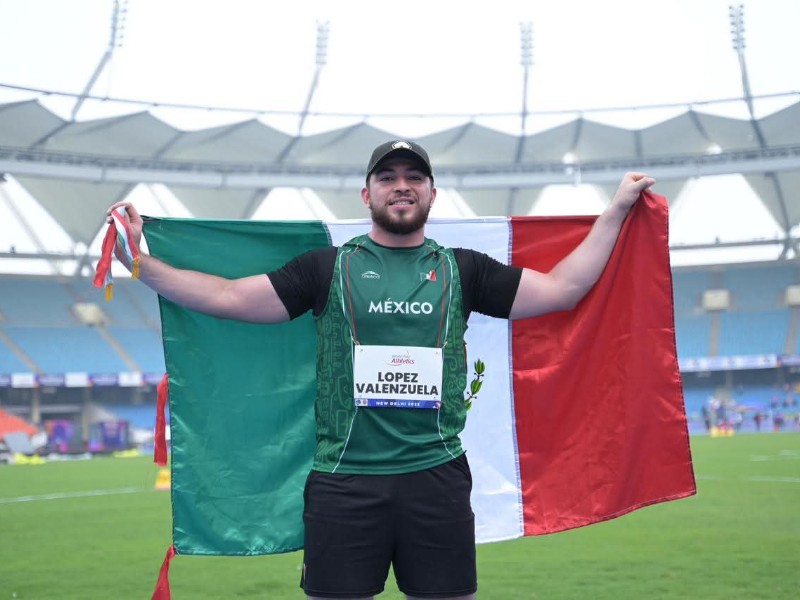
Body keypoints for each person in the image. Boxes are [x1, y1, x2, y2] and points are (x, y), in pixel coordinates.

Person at [107, 140, 655, 600]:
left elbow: (562, 289)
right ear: (366, 194)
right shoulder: (325, 267)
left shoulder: (462, 269)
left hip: (436, 479)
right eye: (388, 177)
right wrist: (138, 262)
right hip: (344, 483)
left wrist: (616, 211)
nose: (402, 186)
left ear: (432, 194)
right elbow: (228, 297)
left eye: (414, 177)